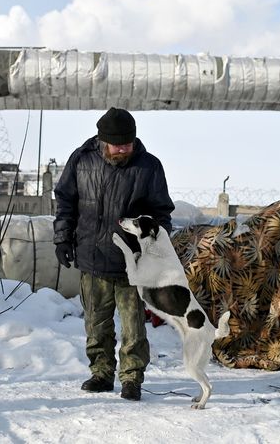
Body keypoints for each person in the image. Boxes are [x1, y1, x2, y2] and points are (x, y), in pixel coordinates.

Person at [53, 107, 175, 402]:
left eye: (127, 143)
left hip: (133, 263)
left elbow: (162, 214)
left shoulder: (149, 167)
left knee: (134, 327)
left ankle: (132, 378)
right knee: (96, 324)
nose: (123, 149)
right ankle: (101, 373)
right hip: (91, 257)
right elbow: (66, 201)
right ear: (103, 140)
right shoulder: (81, 161)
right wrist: (62, 238)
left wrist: (153, 248)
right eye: (117, 144)